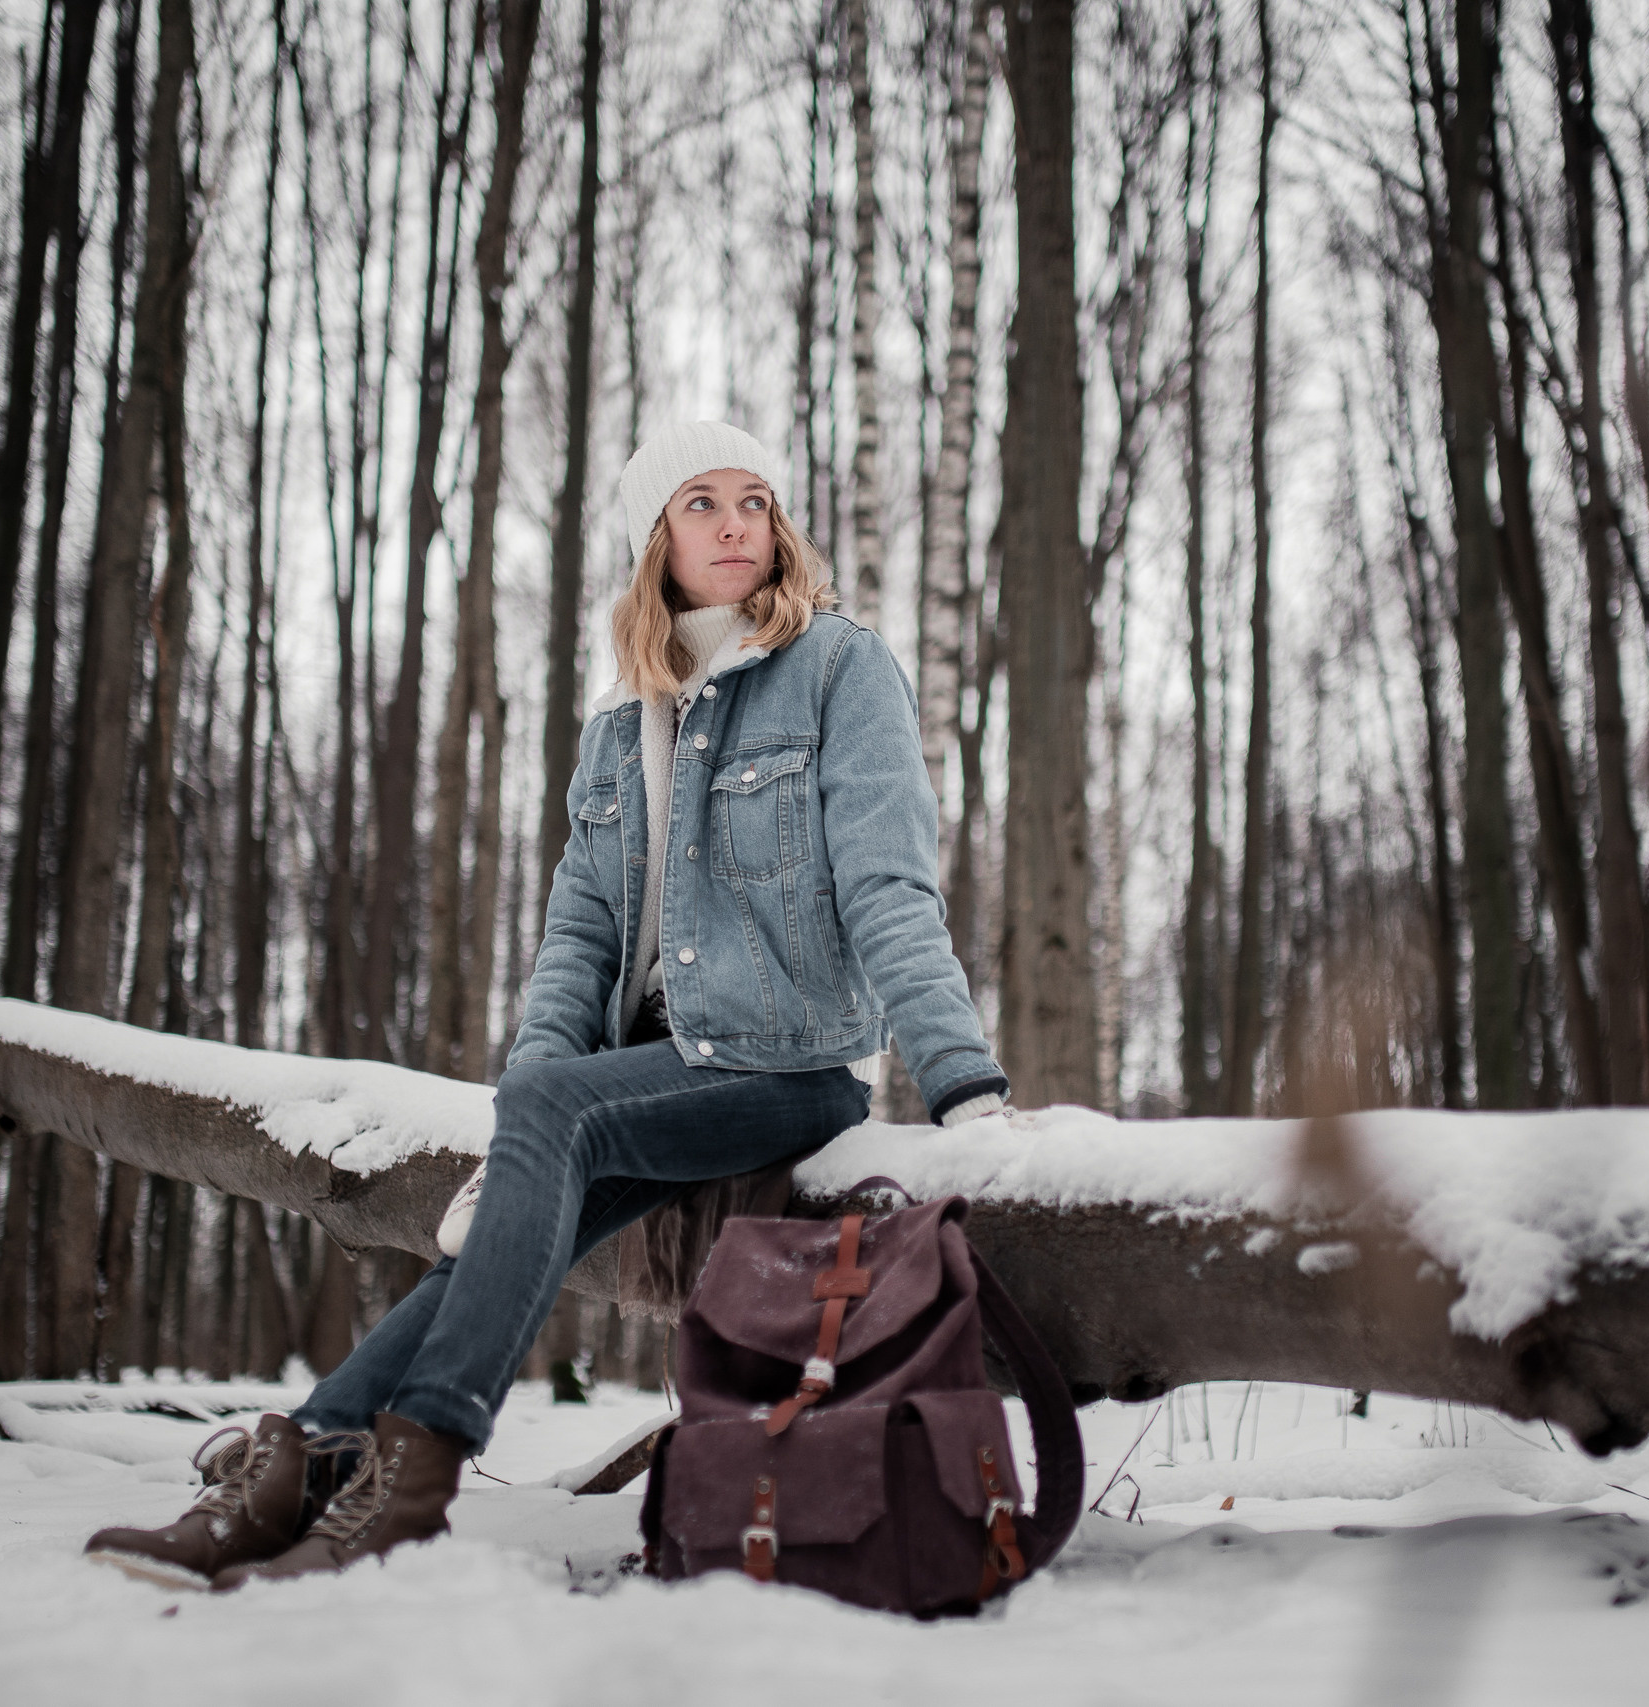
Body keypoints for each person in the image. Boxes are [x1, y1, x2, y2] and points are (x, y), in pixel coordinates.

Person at [86, 421, 1010, 1591]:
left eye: (754, 500)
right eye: (700, 503)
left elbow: (888, 881)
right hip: (651, 1082)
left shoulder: (837, 668)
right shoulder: (620, 735)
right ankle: (299, 1466)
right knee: (500, 1221)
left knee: (556, 1124)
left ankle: (413, 1479)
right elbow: (576, 935)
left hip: (786, 1068)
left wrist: (963, 1078)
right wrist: (533, 1091)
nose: (736, 524)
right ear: (652, 543)